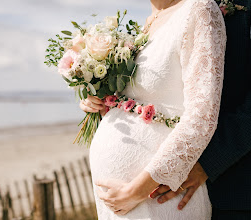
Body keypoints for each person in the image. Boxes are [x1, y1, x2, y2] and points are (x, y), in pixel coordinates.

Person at [80, 0, 226, 219]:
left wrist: (137, 190)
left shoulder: (198, 10)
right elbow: (137, 103)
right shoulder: (144, 26)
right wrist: (99, 103)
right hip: (118, 201)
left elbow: (202, 116)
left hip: (157, 197)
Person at [148, 0, 251, 219]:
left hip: (240, 190)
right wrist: (104, 100)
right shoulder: (174, 7)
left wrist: (208, 163)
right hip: (172, 191)